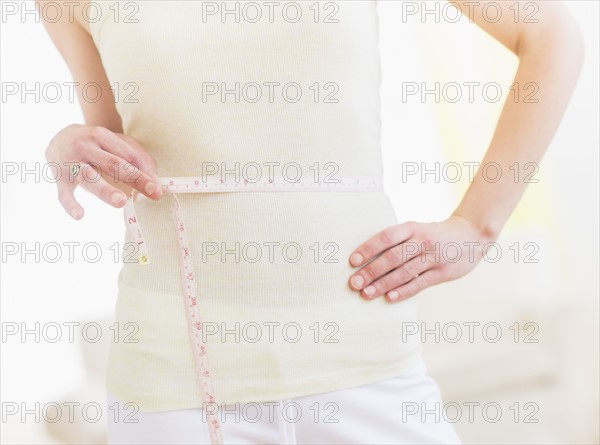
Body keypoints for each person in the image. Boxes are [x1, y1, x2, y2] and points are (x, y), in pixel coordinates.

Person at [38, 1, 583, 444]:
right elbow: (123, 159)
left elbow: (552, 36)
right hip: (174, 379)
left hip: (363, 355)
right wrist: (68, 146)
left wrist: (477, 226)